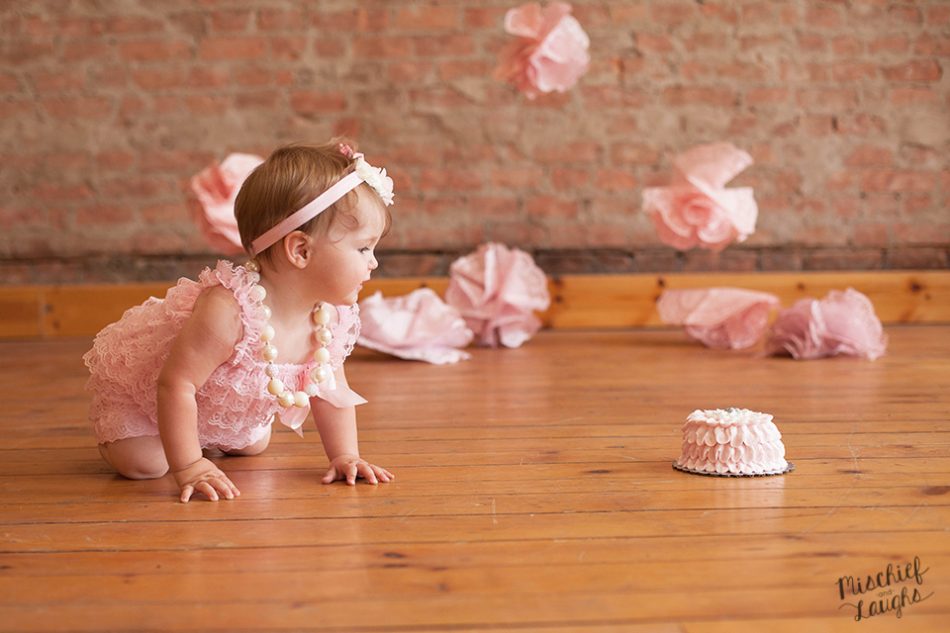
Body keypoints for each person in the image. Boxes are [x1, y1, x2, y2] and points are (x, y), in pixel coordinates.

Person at [83, 140, 395, 502]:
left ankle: (210, 435)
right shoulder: (229, 311)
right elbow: (176, 384)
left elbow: (330, 386)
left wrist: (345, 455)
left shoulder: (330, 316)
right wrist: (189, 465)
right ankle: (174, 442)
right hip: (155, 403)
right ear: (301, 250)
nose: (373, 262)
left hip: (214, 407)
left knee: (252, 443)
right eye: (363, 249)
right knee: (145, 464)